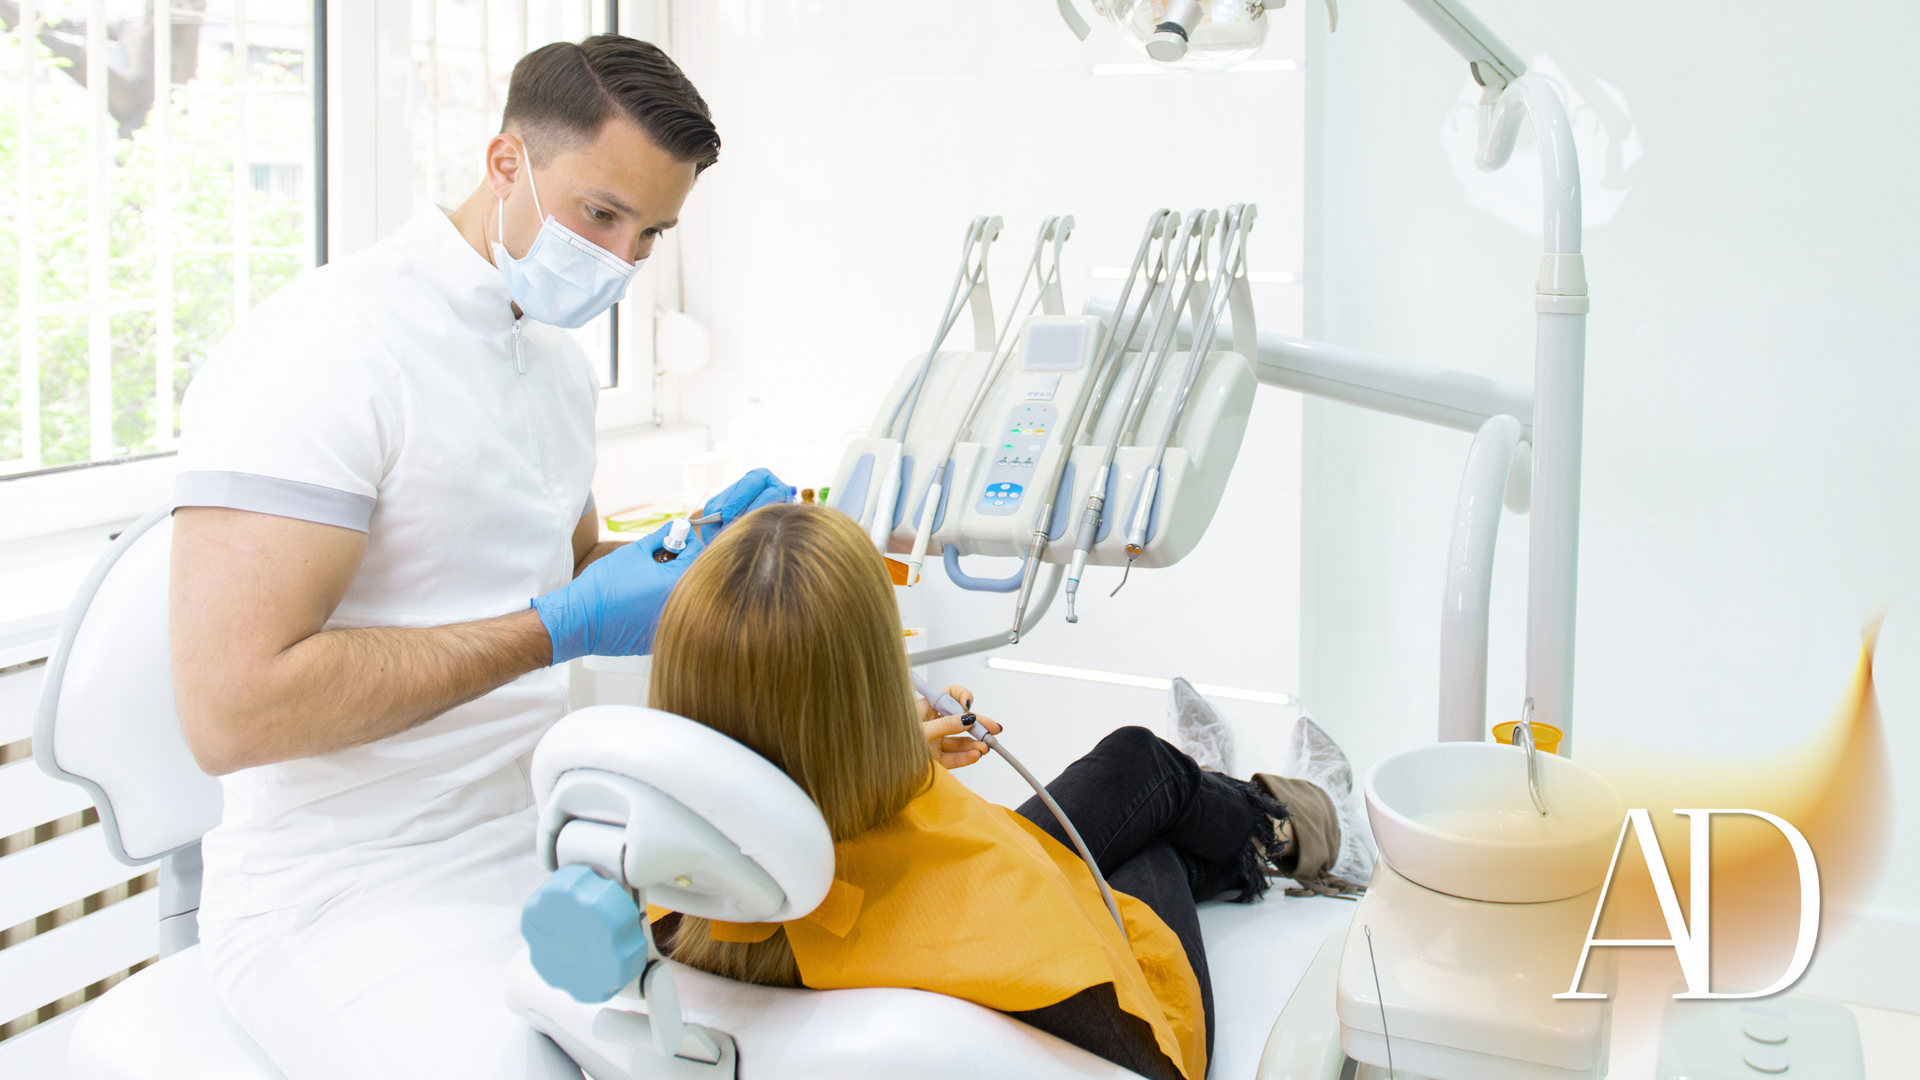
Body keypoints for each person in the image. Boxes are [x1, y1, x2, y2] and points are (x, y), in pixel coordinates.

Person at [166, 36, 776, 1079]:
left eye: (651, 234)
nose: (623, 261)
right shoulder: (324, 349)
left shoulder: (550, 365)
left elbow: (582, 576)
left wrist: (717, 562)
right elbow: (232, 712)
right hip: (343, 888)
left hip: (537, 843)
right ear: (507, 164)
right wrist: (559, 628)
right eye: (601, 214)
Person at [643, 502, 1328, 1080]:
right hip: (1146, 1046)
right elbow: (1143, 1047)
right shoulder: (1004, 946)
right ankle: (1290, 827)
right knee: (1162, 836)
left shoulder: (672, 891)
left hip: (879, 883)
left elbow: (770, 753)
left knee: (1138, 759)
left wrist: (886, 752)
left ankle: (1226, 794)